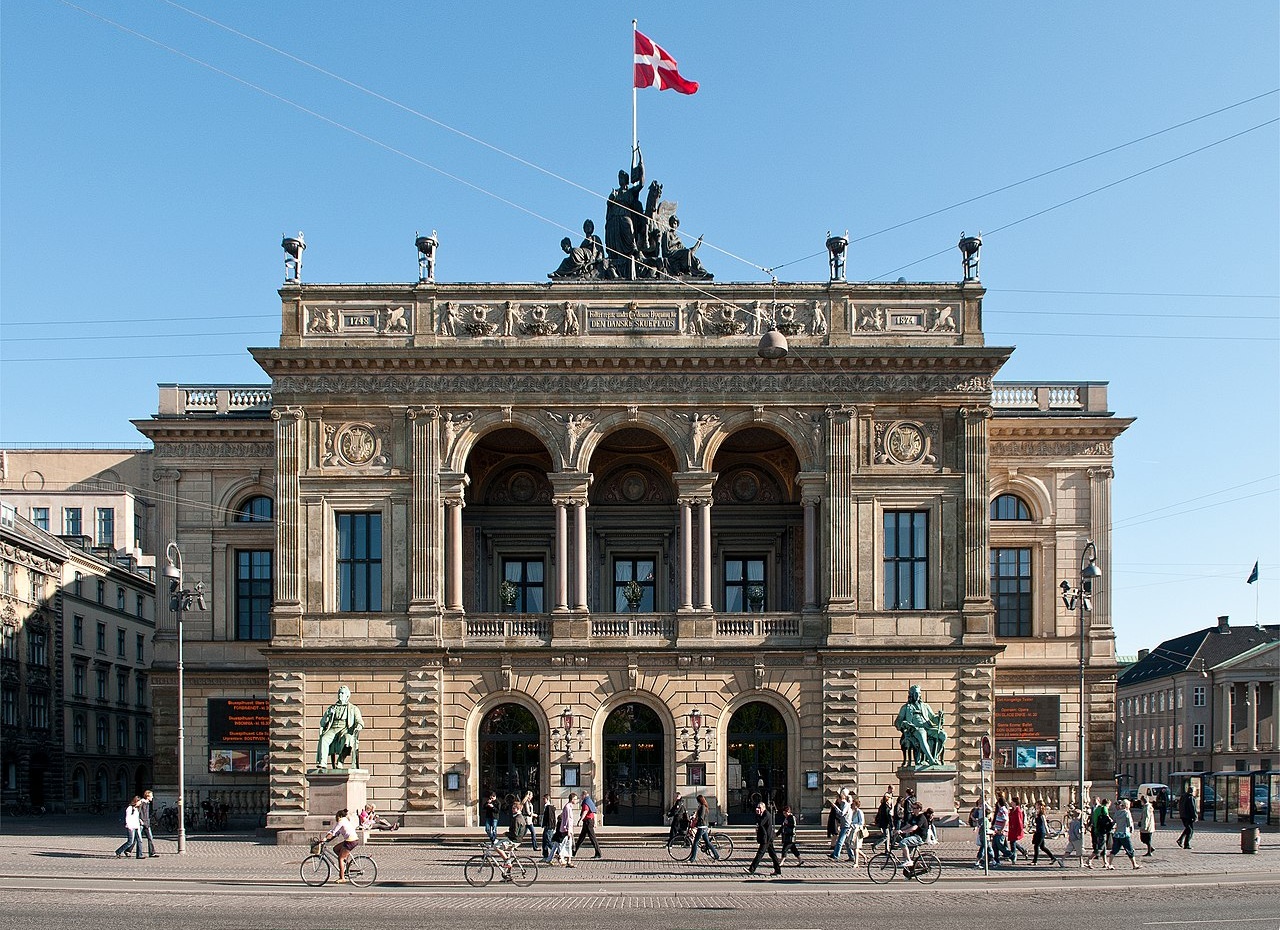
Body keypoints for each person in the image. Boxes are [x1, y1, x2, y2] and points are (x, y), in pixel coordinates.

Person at [894, 684, 947, 767]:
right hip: (914, 729)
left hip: (928, 727)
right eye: (915, 693)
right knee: (922, 734)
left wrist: (940, 717)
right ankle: (931, 760)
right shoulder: (906, 707)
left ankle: (935, 757)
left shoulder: (925, 706)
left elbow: (933, 718)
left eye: (918, 693)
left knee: (943, 735)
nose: (917, 695)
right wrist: (903, 724)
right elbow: (898, 721)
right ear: (911, 695)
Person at [316, 685, 364, 769]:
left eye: (342, 693)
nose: (340, 695)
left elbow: (359, 721)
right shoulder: (332, 708)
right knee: (324, 739)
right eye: (339, 693)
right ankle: (322, 763)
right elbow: (322, 723)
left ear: (347, 696)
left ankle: (340, 760)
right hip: (332, 729)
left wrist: (359, 726)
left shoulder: (353, 708)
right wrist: (328, 714)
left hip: (344, 730)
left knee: (348, 739)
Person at [322, 808, 359, 883]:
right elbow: (336, 834)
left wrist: (325, 839)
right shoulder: (345, 820)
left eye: (336, 816)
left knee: (340, 858)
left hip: (350, 841)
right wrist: (327, 841)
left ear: (339, 816)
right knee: (335, 849)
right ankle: (347, 864)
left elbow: (333, 832)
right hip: (352, 839)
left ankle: (342, 877)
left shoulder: (341, 821)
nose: (335, 818)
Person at [746, 800, 782, 876]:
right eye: (757, 807)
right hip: (767, 838)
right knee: (773, 855)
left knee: (760, 854)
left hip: (767, 839)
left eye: (759, 807)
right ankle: (778, 870)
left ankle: (751, 869)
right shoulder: (762, 815)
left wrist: (759, 815)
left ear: (763, 808)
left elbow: (761, 823)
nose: (758, 809)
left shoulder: (766, 814)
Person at [897, 803, 935, 872]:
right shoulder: (914, 816)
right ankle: (912, 870)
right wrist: (899, 830)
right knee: (905, 854)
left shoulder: (921, 817)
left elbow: (914, 827)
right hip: (914, 837)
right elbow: (909, 824)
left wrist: (903, 832)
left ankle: (909, 861)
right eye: (912, 808)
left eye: (914, 808)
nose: (913, 810)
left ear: (919, 809)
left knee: (902, 843)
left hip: (919, 838)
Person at [1107, 798, 1139, 870]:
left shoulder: (1117, 812)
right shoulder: (1126, 813)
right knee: (1129, 849)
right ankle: (1134, 864)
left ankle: (1110, 864)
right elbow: (1128, 824)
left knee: (1114, 849)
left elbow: (1114, 821)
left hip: (1117, 834)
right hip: (1124, 833)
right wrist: (1131, 829)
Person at [688, 795, 720, 862]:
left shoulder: (702, 807)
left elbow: (701, 817)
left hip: (702, 826)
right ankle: (716, 855)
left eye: (697, 801)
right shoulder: (701, 806)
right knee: (707, 842)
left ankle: (692, 858)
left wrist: (696, 823)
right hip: (703, 827)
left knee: (695, 843)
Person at [1031, 801, 1064, 867]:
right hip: (1038, 831)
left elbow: (1045, 824)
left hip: (1041, 832)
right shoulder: (1037, 814)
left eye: (1037, 805)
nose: (1036, 806)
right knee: (1042, 847)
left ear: (1040, 806)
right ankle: (1053, 858)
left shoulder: (1042, 815)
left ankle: (1035, 861)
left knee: (1036, 846)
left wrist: (1048, 832)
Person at [1087, 799, 1114, 870]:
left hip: (1097, 829)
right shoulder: (1104, 808)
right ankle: (1089, 860)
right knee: (1100, 847)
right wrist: (1112, 822)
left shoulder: (1097, 809)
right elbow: (1107, 818)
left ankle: (1105, 862)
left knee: (1104, 846)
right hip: (1102, 830)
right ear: (1107, 804)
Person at [574, 792, 602, 858]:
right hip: (589, 821)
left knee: (592, 838)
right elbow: (594, 812)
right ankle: (573, 852)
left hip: (587, 822)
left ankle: (598, 853)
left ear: (584, 795)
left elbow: (585, 811)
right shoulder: (590, 801)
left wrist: (580, 820)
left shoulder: (586, 802)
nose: (580, 797)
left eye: (581, 795)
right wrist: (595, 822)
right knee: (581, 838)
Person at [829, 791, 854, 861]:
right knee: (846, 842)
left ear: (840, 799)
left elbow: (842, 814)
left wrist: (835, 807)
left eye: (838, 799)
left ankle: (836, 856)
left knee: (840, 841)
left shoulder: (845, 804)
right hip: (845, 825)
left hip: (846, 826)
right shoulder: (844, 804)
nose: (837, 801)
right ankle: (851, 856)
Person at [845, 793, 868, 865]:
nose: (852, 805)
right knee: (852, 846)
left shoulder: (859, 812)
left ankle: (856, 863)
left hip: (858, 831)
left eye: (853, 804)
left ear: (856, 805)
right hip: (853, 831)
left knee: (856, 847)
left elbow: (861, 822)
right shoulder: (853, 812)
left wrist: (853, 825)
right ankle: (864, 856)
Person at [991, 794, 1014, 865]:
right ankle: (996, 860)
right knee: (994, 845)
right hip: (996, 830)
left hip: (1000, 831)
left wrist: (1001, 830)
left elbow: (1005, 820)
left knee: (1000, 845)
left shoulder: (1002, 809)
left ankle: (1011, 855)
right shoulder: (1001, 809)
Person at [556, 793, 577, 867]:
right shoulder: (568, 807)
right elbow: (568, 819)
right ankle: (561, 856)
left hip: (568, 829)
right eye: (575, 799)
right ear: (572, 799)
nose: (576, 801)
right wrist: (568, 830)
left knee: (568, 845)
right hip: (566, 829)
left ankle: (568, 860)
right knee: (567, 844)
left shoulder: (569, 807)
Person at [1007, 796, 1030, 860]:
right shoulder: (1012, 810)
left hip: (1015, 829)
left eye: (1012, 801)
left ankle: (1013, 856)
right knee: (1013, 842)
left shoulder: (1018, 811)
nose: (1011, 802)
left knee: (1012, 842)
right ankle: (1024, 851)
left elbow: (1020, 821)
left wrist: (1020, 830)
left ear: (1015, 803)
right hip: (1012, 829)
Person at [138, 789, 157, 858]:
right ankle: (128, 850)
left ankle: (152, 853)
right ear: (147, 796)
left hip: (147, 823)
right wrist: (140, 819)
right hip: (142, 823)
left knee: (150, 838)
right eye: (151, 796)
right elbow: (138, 812)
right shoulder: (142, 802)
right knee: (136, 838)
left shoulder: (148, 803)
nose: (152, 797)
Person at [540, 794, 557, 862]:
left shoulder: (549, 807)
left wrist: (550, 826)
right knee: (544, 841)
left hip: (549, 826)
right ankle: (545, 855)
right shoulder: (546, 807)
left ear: (547, 799)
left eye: (544, 799)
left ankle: (555, 851)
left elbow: (550, 818)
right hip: (547, 826)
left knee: (548, 840)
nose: (543, 800)